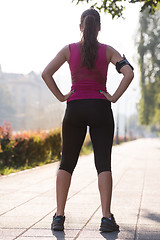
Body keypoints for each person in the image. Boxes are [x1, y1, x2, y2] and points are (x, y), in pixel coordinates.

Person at [42, 8, 134, 232]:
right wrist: (113, 97)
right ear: (99, 27)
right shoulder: (108, 51)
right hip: (101, 108)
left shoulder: (69, 50)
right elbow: (129, 73)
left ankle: (59, 217)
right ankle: (106, 219)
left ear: (81, 26)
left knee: (67, 162)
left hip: (75, 107)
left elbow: (46, 73)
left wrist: (62, 96)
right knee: (103, 164)